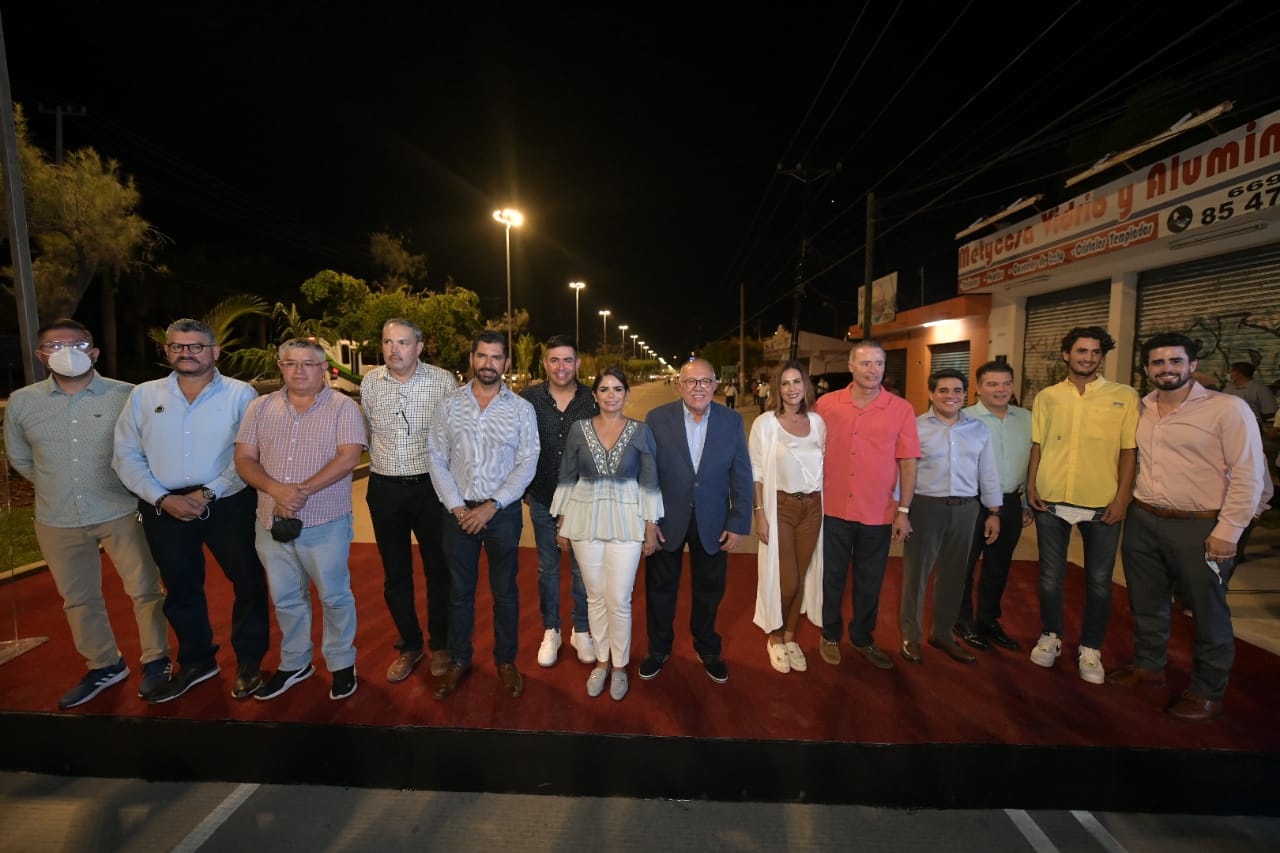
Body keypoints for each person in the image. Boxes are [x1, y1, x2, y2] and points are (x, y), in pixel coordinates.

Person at [4, 319, 170, 709]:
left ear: (93, 353)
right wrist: (58, 483)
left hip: (122, 510)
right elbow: (21, 458)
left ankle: (156, 660)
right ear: (40, 355)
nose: (66, 352)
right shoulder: (23, 402)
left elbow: (150, 448)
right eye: (54, 345)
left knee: (145, 590)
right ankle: (104, 664)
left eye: (76, 345)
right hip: (57, 517)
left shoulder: (127, 395)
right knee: (78, 599)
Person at [1109, 333, 1269, 722]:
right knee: (1146, 603)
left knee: (1208, 611)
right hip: (1144, 520)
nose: (1167, 369)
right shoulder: (1141, 408)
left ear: (1193, 365)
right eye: (1158, 362)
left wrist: (1229, 531)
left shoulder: (1227, 409)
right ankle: (1148, 668)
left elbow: (1249, 474)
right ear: (1147, 369)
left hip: (1201, 526)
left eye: (1176, 361)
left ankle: (1207, 691)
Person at [113, 318, 271, 704]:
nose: (186, 353)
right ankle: (197, 662)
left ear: (214, 351)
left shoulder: (241, 394)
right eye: (177, 346)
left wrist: (209, 492)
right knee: (180, 588)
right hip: (163, 506)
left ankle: (249, 661)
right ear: (167, 351)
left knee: (248, 581)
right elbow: (125, 454)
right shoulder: (144, 395)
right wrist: (161, 498)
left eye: (196, 346)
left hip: (228, 502)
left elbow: (250, 452)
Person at [235, 339, 367, 700]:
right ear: (280, 367)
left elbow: (349, 457)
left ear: (323, 369)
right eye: (291, 363)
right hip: (270, 522)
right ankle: (296, 662)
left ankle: (341, 663)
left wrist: (300, 492)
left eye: (308, 363)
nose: (299, 370)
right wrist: (276, 491)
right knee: (286, 598)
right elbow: (244, 458)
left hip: (325, 522)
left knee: (334, 596)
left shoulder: (342, 407)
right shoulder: (260, 407)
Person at [427, 330, 539, 700]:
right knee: (459, 592)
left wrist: (491, 506)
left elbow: (527, 462)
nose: (488, 363)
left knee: (505, 592)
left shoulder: (521, 409)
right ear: (472, 358)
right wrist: (458, 507)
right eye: (482, 356)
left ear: (506, 362)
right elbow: (436, 458)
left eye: (496, 357)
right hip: (457, 514)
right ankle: (459, 659)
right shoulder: (449, 405)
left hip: (501, 514)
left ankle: (506, 661)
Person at [1026, 326, 1138, 685]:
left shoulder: (1124, 396)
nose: (1088, 358)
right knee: (1049, 577)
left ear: (1101, 356)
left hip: (1101, 504)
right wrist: (1031, 485)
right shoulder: (1048, 397)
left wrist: (1122, 498)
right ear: (1066, 354)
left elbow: (1129, 451)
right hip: (1051, 501)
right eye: (1081, 351)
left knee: (1100, 582)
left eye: (1095, 352)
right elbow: (1038, 444)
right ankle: (1051, 635)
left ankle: (1090, 648)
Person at [551, 367, 663, 700]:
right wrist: (562, 523)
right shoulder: (578, 429)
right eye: (604, 389)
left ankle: (620, 665)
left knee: (619, 599)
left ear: (627, 395)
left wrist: (651, 527)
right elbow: (567, 475)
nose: (611, 395)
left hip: (627, 518)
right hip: (584, 517)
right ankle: (602, 661)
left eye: (617, 389)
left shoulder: (641, 431)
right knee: (595, 596)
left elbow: (650, 480)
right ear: (595, 395)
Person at [639, 358, 752, 684]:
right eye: (691, 381)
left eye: (705, 381)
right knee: (660, 589)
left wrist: (738, 521)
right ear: (679, 386)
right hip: (666, 520)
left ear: (716, 385)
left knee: (709, 590)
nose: (698, 388)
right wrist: (649, 521)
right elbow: (647, 474)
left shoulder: (731, 421)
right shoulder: (657, 419)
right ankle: (659, 648)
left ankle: (707, 647)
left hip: (713, 521)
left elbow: (741, 473)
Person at [360, 318, 458, 685]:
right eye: (388, 342)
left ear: (419, 347)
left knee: (439, 571)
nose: (393, 349)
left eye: (402, 342)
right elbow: (368, 429)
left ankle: (441, 644)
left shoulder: (443, 381)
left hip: (431, 489)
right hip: (384, 489)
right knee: (395, 574)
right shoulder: (370, 382)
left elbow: (454, 435)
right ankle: (410, 644)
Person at [814, 341, 920, 671]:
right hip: (833, 509)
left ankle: (862, 637)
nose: (873, 370)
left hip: (878, 513)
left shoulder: (901, 409)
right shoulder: (826, 405)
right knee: (831, 578)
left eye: (879, 364)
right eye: (865, 363)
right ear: (850, 366)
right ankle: (830, 634)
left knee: (869, 581)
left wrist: (904, 511)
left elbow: (908, 463)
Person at [898, 369, 1001, 665]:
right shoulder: (915, 427)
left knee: (955, 575)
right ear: (931, 394)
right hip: (925, 507)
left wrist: (993, 511)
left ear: (965, 395)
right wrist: (901, 511)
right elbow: (904, 471)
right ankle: (911, 636)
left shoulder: (979, 429)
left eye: (957, 390)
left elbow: (988, 471)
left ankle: (942, 634)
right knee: (916, 575)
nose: (951, 396)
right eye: (943, 390)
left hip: (966, 509)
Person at [520, 335, 597, 668]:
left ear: (577, 363)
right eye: (554, 360)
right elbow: (517, 443)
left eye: (567, 360)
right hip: (542, 498)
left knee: (582, 570)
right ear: (545, 363)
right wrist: (523, 488)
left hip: (583, 501)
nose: (561, 366)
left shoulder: (593, 399)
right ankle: (551, 629)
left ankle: (581, 630)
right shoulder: (528, 399)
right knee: (547, 569)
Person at [748, 360, 825, 674]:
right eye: (785, 383)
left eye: (797, 382)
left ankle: (791, 637)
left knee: (802, 576)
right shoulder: (765, 424)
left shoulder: (817, 423)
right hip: (780, 507)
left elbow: (823, 464)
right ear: (777, 389)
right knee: (788, 580)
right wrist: (760, 514)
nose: (792, 388)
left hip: (813, 508)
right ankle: (775, 637)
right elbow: (755, 472)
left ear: (806, 386)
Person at [954, 361, 1034, 652]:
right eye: (992, 384)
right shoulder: (963, 418)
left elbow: (1030, 460)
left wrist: (1024, 502)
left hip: (1010, 501)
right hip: (971, 501)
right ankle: (961, 621)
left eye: (1006, 383)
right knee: (963, 566)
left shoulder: (1026, 418)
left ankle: (987, 621)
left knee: (998, 568)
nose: (1001, 390)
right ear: (977, 388)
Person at [1221, 361, 1276, 561]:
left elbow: (1264, 487)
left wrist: (1255, 512)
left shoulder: (1259, 390)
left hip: (1241, 513)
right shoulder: (1228, 390)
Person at [1222, 361, 1277, 428]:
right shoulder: (1228, 388)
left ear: (1239, 374)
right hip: (1228, 427)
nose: (1229, 374)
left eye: (1230, 372)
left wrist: (1253, 418)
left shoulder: (1260, 389)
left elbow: (1270, 412)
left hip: (1251, 427)